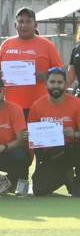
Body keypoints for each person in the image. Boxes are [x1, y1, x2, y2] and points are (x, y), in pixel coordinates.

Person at [0, 7, 64, 115]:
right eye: (21, 21)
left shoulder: (47, 45)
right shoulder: (6, 44)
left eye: (28, 21)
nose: (24, 25)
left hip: (41, 106)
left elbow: (60, 72)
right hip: (12, 107)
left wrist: (46, 76)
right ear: (15, 25)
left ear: (35, 25)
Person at [25, 68, 80, 197]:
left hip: (74, 150)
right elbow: (33, 139)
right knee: (39, 189)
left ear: (66, 84)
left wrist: (74, 134)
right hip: (52, 154)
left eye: (60, 82)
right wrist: (28, 136)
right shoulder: (37, 106)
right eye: (52, 82)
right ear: (46, 84)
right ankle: (67, 176)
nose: (56, 85)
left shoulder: (77, 104)